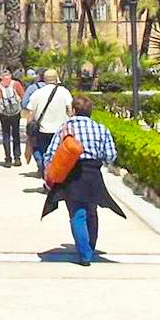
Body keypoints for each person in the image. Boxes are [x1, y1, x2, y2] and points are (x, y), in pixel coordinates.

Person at [41, 94, 124, 267]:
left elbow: (50, 153)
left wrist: (48, 173)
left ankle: (84, 253)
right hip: (93, 175)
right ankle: (90, 248)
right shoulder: (101, 129)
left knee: (77, 214)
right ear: (90, 111)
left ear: (73, 110)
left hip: (71, 176)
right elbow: (110, 156)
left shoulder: (64, 129)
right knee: (92, 212)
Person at [24, 69, 73, 173]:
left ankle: (42, 165)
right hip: (60, 130)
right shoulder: (64, 92)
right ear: (56, 79)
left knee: (40, 150)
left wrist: (28, 129)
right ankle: (52, 175)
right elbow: (70, 111)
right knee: (56, 154)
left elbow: (30, 113)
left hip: (42, 130)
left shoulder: (37, 93)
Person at [0, 68, 25, 166]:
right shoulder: (16, 84)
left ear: (1, 77)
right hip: (15, 113)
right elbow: (23, 95)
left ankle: (8, 159)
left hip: (4, 114)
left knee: (6, 134)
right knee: (16, 134)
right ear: (10, 75)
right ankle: (17, 158)